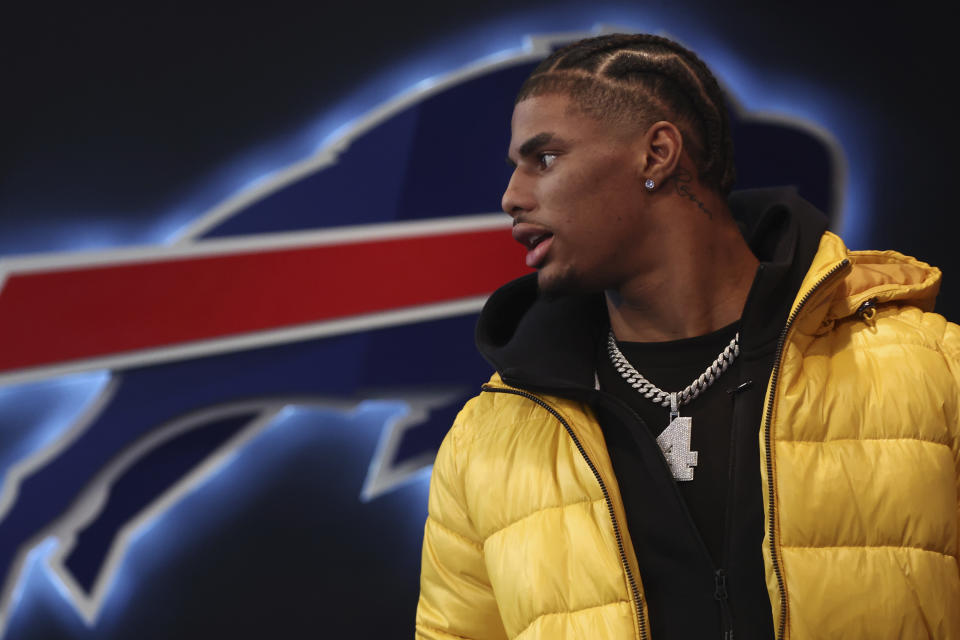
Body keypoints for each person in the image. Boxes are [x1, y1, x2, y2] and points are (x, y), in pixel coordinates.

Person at [415, 33, 960, 640]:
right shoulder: (485, 442)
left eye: (544, 159)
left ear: (657, 154)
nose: (511, 197)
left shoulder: (933, 369)